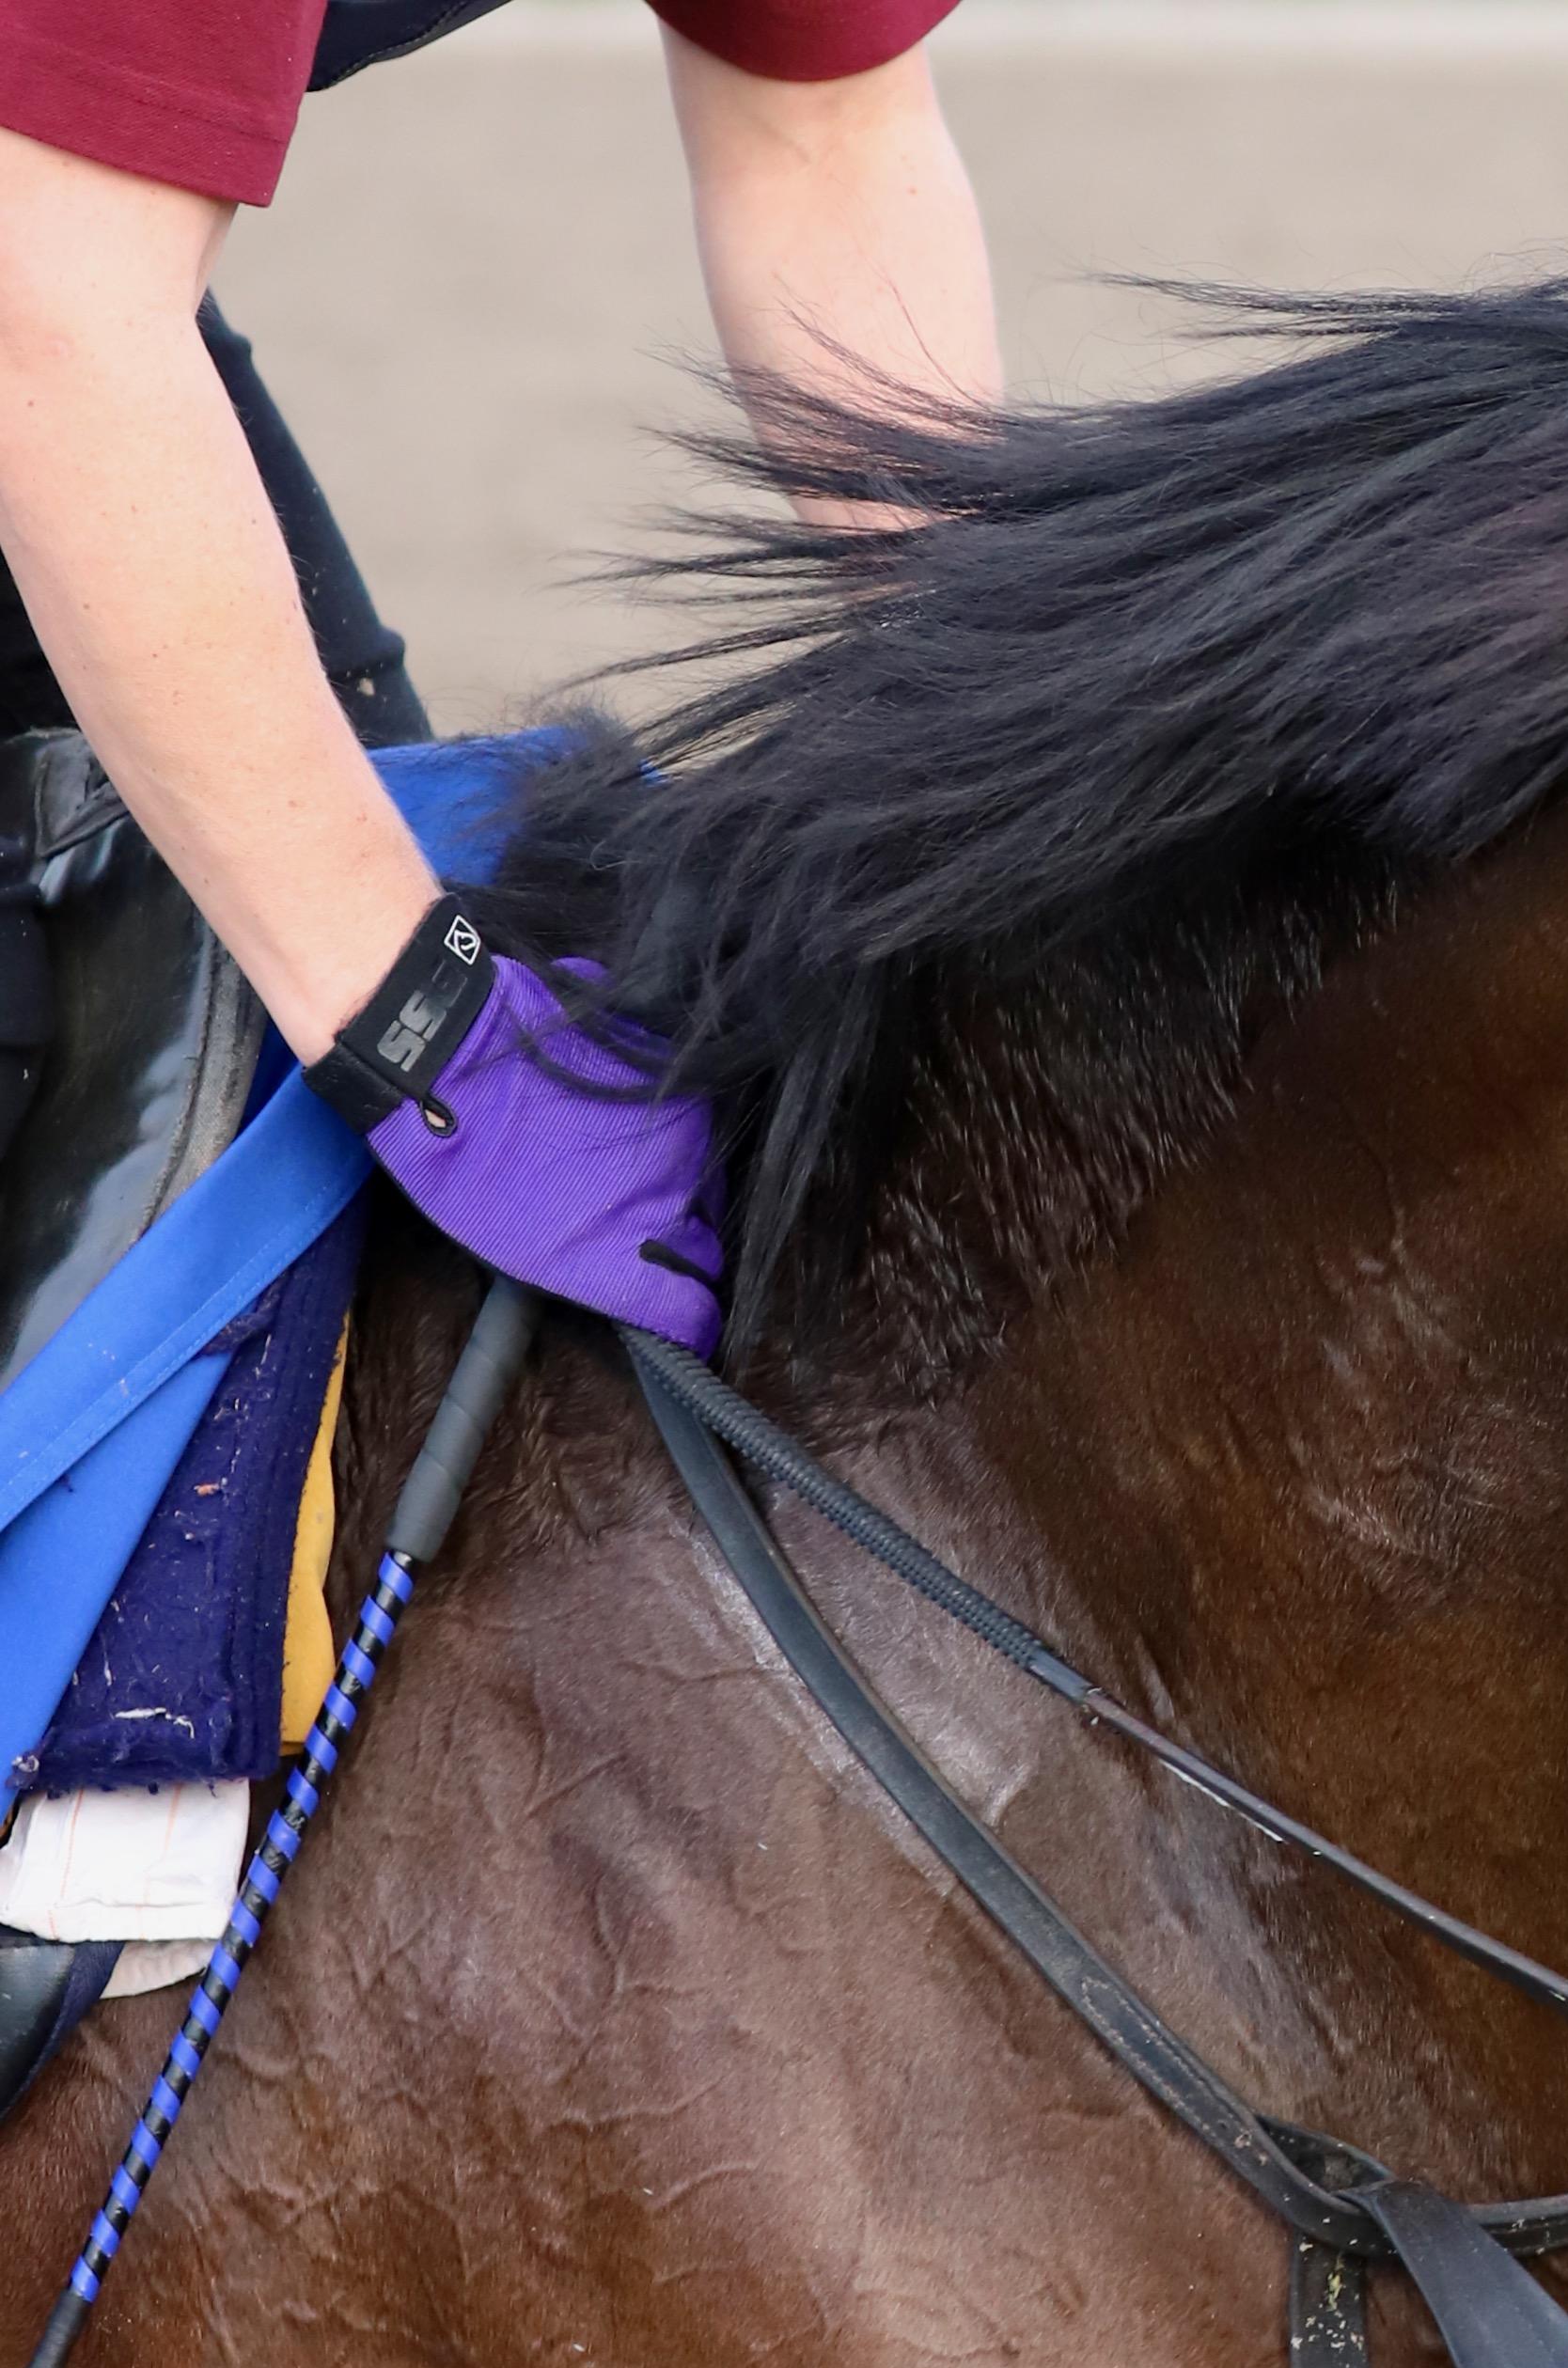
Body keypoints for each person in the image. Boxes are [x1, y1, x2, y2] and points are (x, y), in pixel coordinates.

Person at [0, 0, 1005, 1357]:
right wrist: (427, 1037)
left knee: (287, 1101)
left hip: (57, 241)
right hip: (48, 287)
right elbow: (51, 320)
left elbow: (817, 124)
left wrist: (985, 756)